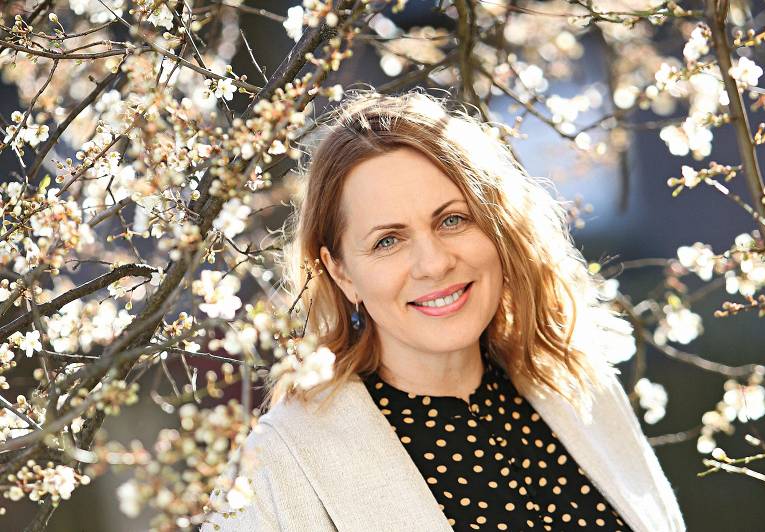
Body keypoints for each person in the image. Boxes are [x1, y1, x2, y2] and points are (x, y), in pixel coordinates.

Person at [201, 89, 685, 531]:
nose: (434, 263)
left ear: (496, 225)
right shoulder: (283, 462)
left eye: (452, 220)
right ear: (341, 272)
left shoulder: (579, 388)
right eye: (388, 241)